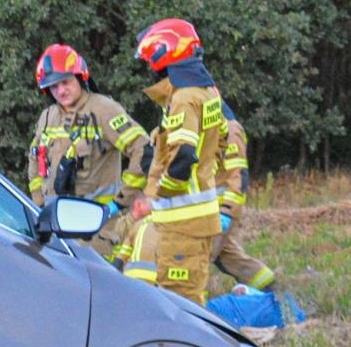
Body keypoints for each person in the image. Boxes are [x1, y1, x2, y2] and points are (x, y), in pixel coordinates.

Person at [121, 18, 227, 304]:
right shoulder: (208, 92)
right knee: (191, 296)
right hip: (198, 218)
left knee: (180, 303)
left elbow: (183, 156)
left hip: (182, 223)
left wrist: (162, 192)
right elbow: (221, 142)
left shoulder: (183, 98)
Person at [24, 43, 148, 259]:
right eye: (54, 87)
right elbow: (35, 159)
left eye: (66, 82)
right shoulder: (47, 116)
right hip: (55, 230)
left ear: (80, 77)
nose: (61, 91)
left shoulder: (103, 109)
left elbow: (143, 150)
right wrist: (38, 204)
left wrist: (120, 202)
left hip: (96, 232)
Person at [212, 104, 276, 291]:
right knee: (228, 257)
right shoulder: (215, 128)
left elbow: (238, 175)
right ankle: (274, 291)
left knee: (199, 258)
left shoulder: (230, 130)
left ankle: (195, 308)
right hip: (214, 207)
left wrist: (227, 211)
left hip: (222, 208)